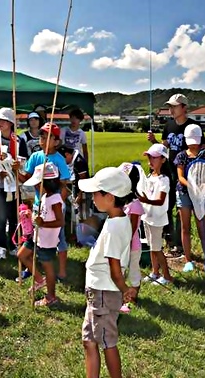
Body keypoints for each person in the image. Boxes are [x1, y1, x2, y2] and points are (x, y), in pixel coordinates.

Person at [78, 167, 136, 378]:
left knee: (107, 342)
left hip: (103, 292)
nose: (92, 197)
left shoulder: (113, 228)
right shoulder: (118, 220)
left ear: (110, 197)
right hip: (97, 292)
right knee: (89, 341)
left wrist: (124, 289)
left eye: (96, 193)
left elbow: (114, 267)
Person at [147, 94, 205, 257]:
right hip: (168, 172)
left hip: (186, 176)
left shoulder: (194, 127)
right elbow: (164, 149)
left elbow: (203, 151)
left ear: (184, 107)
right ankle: (169, 240)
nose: (171, 109)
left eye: (174, 106)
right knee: (165, 206)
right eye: (170, 106)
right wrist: (154, 142)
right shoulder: (169, 125)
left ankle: (179, 245)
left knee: (182, 210)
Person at [16, 123, 71, 281]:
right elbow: (26, 178)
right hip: (38, 204)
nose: (43, 139)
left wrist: (57, 202)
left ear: (56, 141)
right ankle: (31, 267)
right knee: (34, 237)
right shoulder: (35, 156)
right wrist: (16, 170)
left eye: (48, 137)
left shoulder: (59, 159)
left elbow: (64, 184)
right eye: (41, 136)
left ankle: (61, 271)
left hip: (55, 204)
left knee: (59, 237)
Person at [174, 124, 205, 274]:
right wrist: (192, 186)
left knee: (202, 229)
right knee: (185, 227)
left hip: (201, 196)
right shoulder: (181, 155)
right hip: (184, 194)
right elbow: (180, 177)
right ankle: (188, 260)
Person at [17, 162, 64, 306]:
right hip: (37, 235)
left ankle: (51, 297)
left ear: (47, 183)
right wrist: (31, 215)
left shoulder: (55, 200)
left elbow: (60, 222)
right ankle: (39, 280)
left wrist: (43, 224)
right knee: (22, 255)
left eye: (38, 183)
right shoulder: (44, 197)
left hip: (47, 240)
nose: (36, 186)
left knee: (48, 267)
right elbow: (42, 215)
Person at [0, 107, 28, 259]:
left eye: (3, 120)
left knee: (14, 217)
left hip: (14, 185)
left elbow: (24, 163)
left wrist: (18, 166)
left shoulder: (19, 141)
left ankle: (14, 245)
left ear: (10, 123)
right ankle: (1, 246)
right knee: (1, 217)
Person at [139, 144, 174, 286]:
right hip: (147, 216)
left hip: (157, 219)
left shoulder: (164, 179)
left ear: (163, 160)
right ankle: (155, 272)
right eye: (149, 156)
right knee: (152, 247)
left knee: (157, 248)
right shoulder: (149, 176)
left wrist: (145, 200)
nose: (151, 160)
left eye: (154, 157)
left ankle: (167, 276)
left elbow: (160, 200)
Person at [117, 162, 145, 313]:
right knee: (119, 271)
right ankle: (121, 298)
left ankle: (132, 298)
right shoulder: (122, 203)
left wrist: (124, 244)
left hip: (131, 245)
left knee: (133, 271)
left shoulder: (135, 205)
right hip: (122, 244)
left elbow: (132, 229)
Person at [58, 144, 89, 220]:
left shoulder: (79, 162)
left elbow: (84, 180)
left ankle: (83, 226)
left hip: (83, 191)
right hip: (76, 188)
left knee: (82, 213)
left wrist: (80, 195)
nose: (64, 163)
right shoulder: (73, 160)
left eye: (63, 160)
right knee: (76, 212)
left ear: (67, 154)